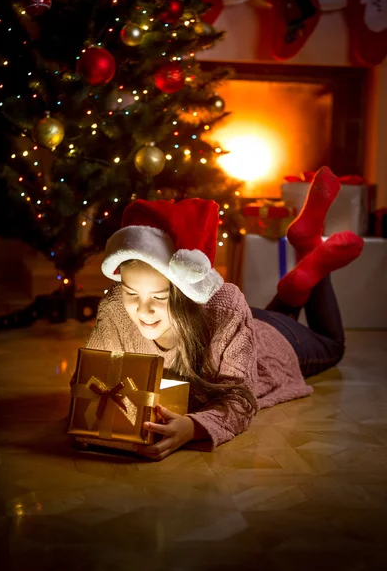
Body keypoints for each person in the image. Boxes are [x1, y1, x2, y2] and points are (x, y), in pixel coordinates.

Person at [82, 166, 363, 460]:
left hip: (277, 342)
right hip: (244, 323)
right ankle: (296, 282)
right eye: (131, 294)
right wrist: (88, 421)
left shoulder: (225, 309)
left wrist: (194, 427)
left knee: (332, 344)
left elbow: (240, 398)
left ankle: (309, 252)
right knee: (245, 322)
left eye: (160, 297)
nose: (143, 310)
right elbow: (90, 379)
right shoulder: (116, 306)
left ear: (187, 292)